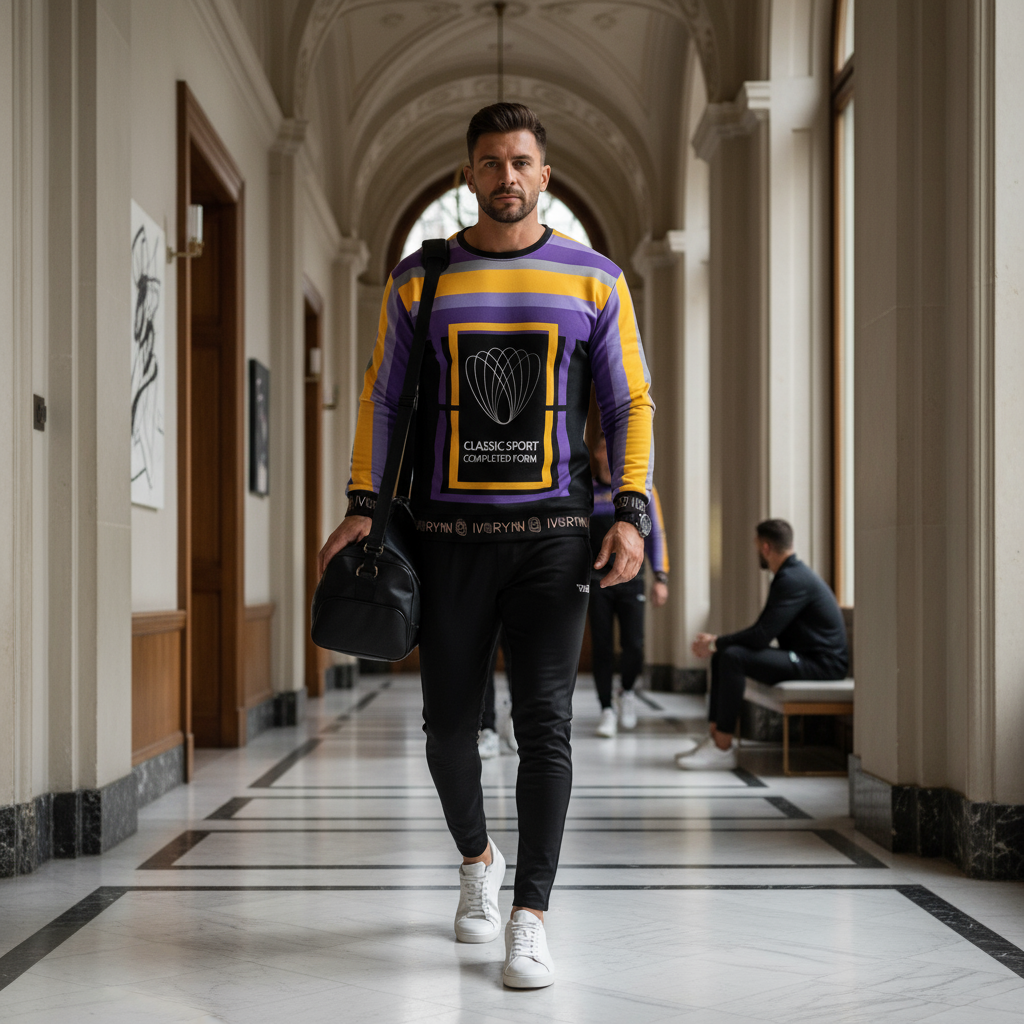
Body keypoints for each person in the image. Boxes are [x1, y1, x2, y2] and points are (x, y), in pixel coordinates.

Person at [318, 102, 654, 988]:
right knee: (446, 727)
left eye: (522, 162)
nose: (507, 176)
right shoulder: (417, 280)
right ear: (468, 175)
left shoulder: (596, 280)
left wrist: (632, 512)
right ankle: (477, 859)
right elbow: (382, 399)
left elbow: (629, 405)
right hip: (446, 538)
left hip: (553, 537)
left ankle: (530, 913)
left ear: (546, 174)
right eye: (491, 162)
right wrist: (363, 504)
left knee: (546, 724)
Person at [677, 518, 849, 771]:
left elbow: (760, 636)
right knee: (724, 654)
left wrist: (715, 642)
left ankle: (722, 748)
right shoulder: (790, 574)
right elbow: (763, 632)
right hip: (804, 657)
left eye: (757, 545)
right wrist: (718, 646)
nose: (757, 550)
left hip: (823, 665)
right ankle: (716, 738)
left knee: (732, 656)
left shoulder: (792, 579)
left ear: (766, 547)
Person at [587, 429, 669, 737]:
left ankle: (627, 692)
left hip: (633, 581)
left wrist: (660, 576)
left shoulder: (641, 492)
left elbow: (657, 533)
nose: (608, 454)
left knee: (634, 644)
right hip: (598, 581)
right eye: (603, 448)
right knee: (603, 647)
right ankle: (606, 708)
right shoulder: (587, 491)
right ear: (596, 454)